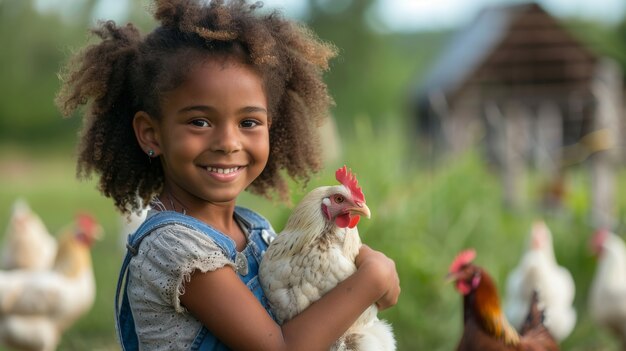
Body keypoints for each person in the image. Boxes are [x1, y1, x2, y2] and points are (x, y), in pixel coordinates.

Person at [56, 0, 400, 349]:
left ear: (271, 127)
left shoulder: (257, 231)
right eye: (200, 122)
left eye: (248, 122)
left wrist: (356, 274)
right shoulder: (176, 250)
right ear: (151, 134)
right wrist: (371, 279)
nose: (228, 142)